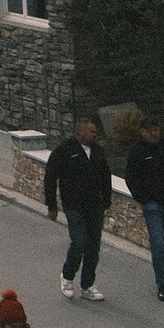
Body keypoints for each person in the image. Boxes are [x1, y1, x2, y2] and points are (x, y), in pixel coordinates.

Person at [44, 116, 113, 301]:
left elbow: (105, 176)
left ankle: (88, 285)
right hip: (74, 206)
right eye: (91, 131)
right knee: (79, 240)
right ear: (80, 131)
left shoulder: (98, 151)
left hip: (94, 206)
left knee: (93, 246)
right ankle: (67, 276)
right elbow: (50, 177)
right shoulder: (65, 150)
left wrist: (106, 200)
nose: (94, 134)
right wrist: (52, 205)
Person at [126, 115, 164, 302]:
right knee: (158, 243)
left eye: (156, 130)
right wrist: (143, 198)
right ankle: (163, 285)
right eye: (150, 131)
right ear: (142, 132)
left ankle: (160, 264)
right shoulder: (137, 152)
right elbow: (131, 178)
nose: (154, 134)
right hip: (151, 204)